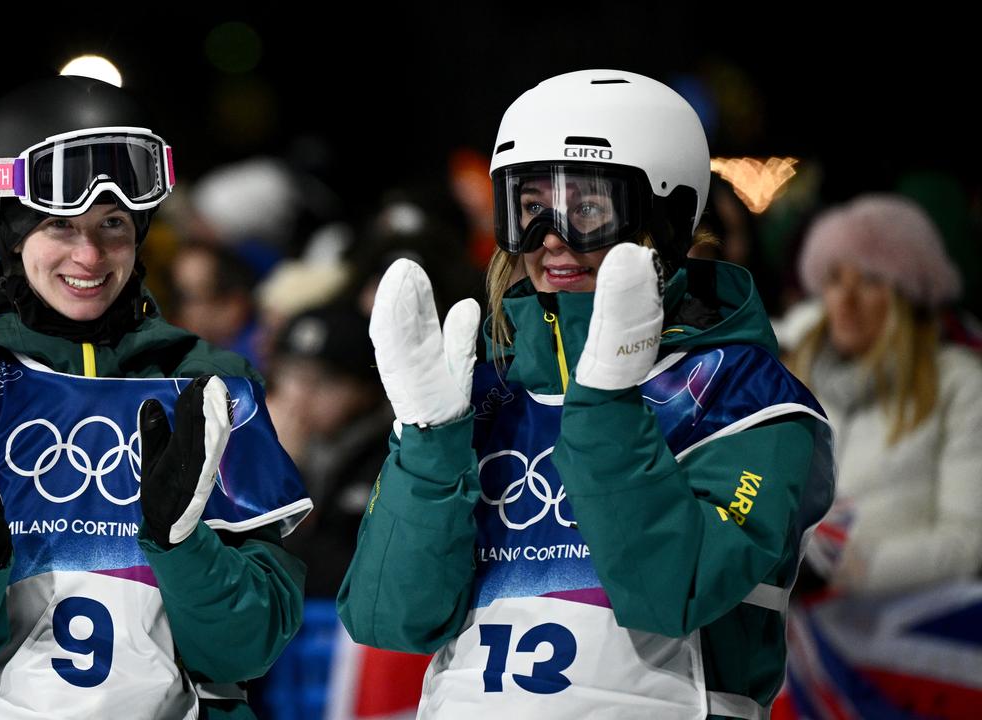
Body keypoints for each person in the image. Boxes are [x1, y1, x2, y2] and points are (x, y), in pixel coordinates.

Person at [337, 69, 835, 718]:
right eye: (530, 205)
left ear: (664, 214)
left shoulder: (747, 400)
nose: (550, 236)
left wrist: (605, 403)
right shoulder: (484, 390)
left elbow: (671, 591)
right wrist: (427, 444)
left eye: (587, 209)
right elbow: (391, 618)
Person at [0, 75, 311, 720]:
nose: (90, 254)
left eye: (114, 225)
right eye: (60, 227)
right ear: (12, 230)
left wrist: (185, 552)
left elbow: (247, 650)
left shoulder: (209, 390)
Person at [786, 194, 982, 593]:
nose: (846, 299)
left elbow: (967, 541)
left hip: (908, 634)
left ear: (907, 296)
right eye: (835, 278)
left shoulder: (959, 384)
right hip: (799, 632)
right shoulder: (799, 381)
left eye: (870, 280)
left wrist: (843, 571)